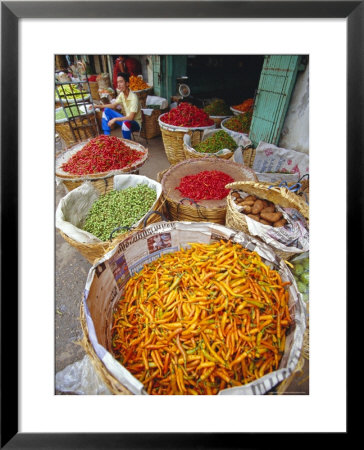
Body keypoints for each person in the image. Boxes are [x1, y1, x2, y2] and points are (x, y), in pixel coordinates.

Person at [96, 72, 141, 140]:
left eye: (121, 82)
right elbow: (113, 105)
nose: (119, 85)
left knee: (126, 123)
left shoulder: (134, 98)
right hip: (126, 119)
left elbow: (131, 118)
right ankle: (106, 137)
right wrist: (99, 106)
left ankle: (127, 145)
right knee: (106, 110)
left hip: (135, 123)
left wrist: (115, 119)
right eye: (118, 82)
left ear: (127, 83)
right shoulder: (122, 94)